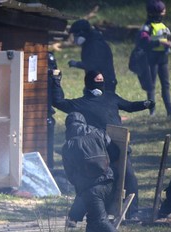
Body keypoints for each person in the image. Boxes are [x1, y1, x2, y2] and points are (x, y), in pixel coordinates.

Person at [51, 70, 155, 221]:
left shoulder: (111, 97)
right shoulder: (81, 103)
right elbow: (58, 102)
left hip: (118, 147)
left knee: (130, 178)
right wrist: (55, 80)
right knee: (97, 185)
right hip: (98, 152)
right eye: (97, 81)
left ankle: (133, 213)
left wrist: (145, 104)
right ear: (89, 83)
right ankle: (90, 214)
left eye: (102, 80)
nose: (100, 84)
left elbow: (129, 106)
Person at [62, 112, 116, 232]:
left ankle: (74, 217)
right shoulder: (99, 133)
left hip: (90, 190)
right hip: (109, 182)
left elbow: (70, 175)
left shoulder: (68, 146)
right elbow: (115, 152)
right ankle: (74, 216)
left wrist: (81, 182)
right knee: (92, 223)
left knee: (100, 221)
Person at [138, 0, 171, 117]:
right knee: (151, 85)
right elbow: (144, 41)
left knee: (165, 85)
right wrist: (159, 42)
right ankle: (152, 111)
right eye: (162, 10)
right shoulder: (147, 26)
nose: (164, 12)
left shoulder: (163, 25)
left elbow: (170, 38)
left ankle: (170, 111)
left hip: (163, 59)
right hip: (152, 60)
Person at [68, 19, 118, 93]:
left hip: (104, 83)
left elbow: (93, 65)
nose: (75, 38)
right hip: (98, 81)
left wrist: (76, 64)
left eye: (75, 35)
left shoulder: (95, 45)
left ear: (82, 33)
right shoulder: (91, 42)